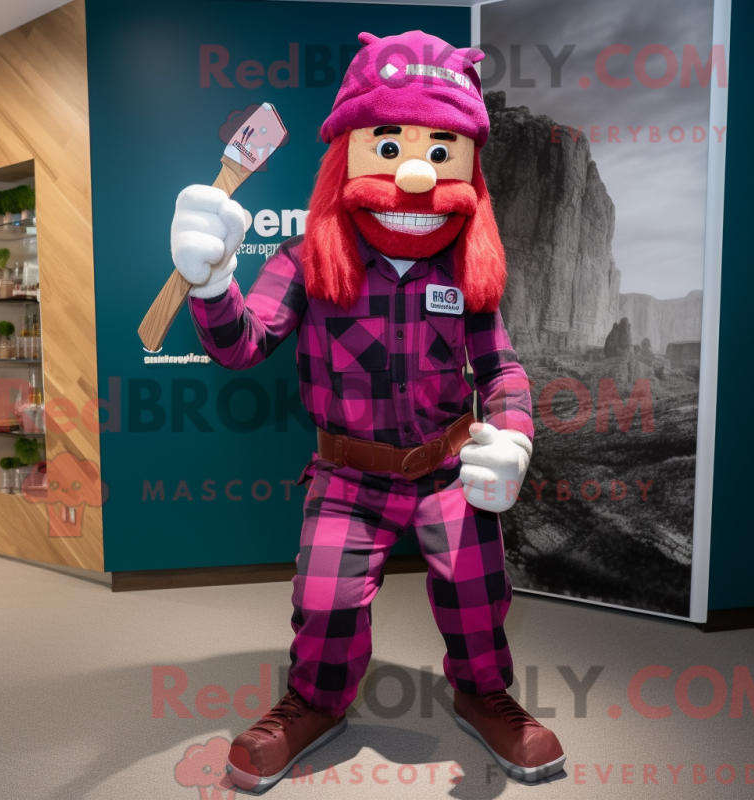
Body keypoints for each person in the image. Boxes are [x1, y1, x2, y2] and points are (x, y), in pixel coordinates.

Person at [171, 29, 565, 793]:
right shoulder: (305, 260)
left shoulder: (464, 268)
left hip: (447, 468)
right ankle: (315, 702)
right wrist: (213, 287)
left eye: (440, 150)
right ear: (348, 156)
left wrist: (513, 436)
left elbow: (502, 368)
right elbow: (242, 346)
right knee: (323, 602)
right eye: (389, 147)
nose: (415, 172)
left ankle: (483, 693)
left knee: (478, 595)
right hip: (348, 476)